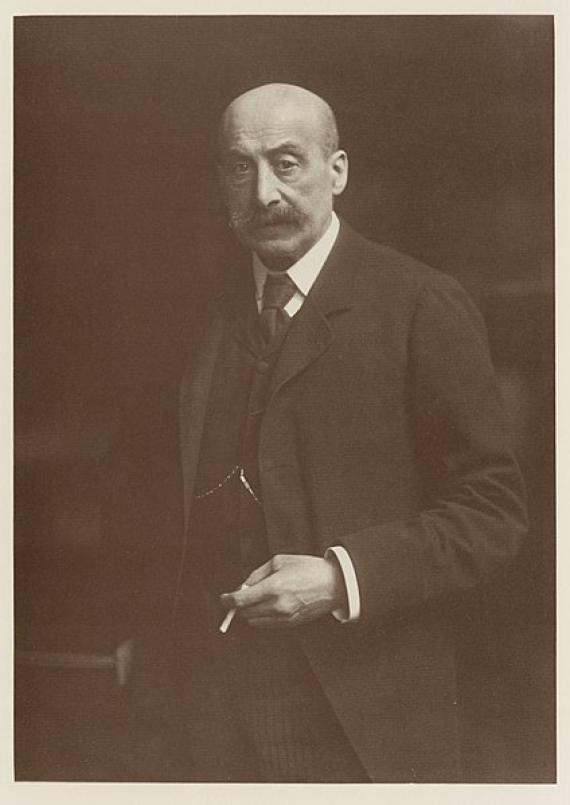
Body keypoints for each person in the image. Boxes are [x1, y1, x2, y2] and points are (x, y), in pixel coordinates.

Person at [156, 82, 527, 783]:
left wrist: (338, 577)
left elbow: (494, 516)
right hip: (203, 716)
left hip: (359, 717)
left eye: (286, 161)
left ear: (339, 171)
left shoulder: (419, 303)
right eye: (240, 166)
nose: (263, 190)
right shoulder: (199, 311)